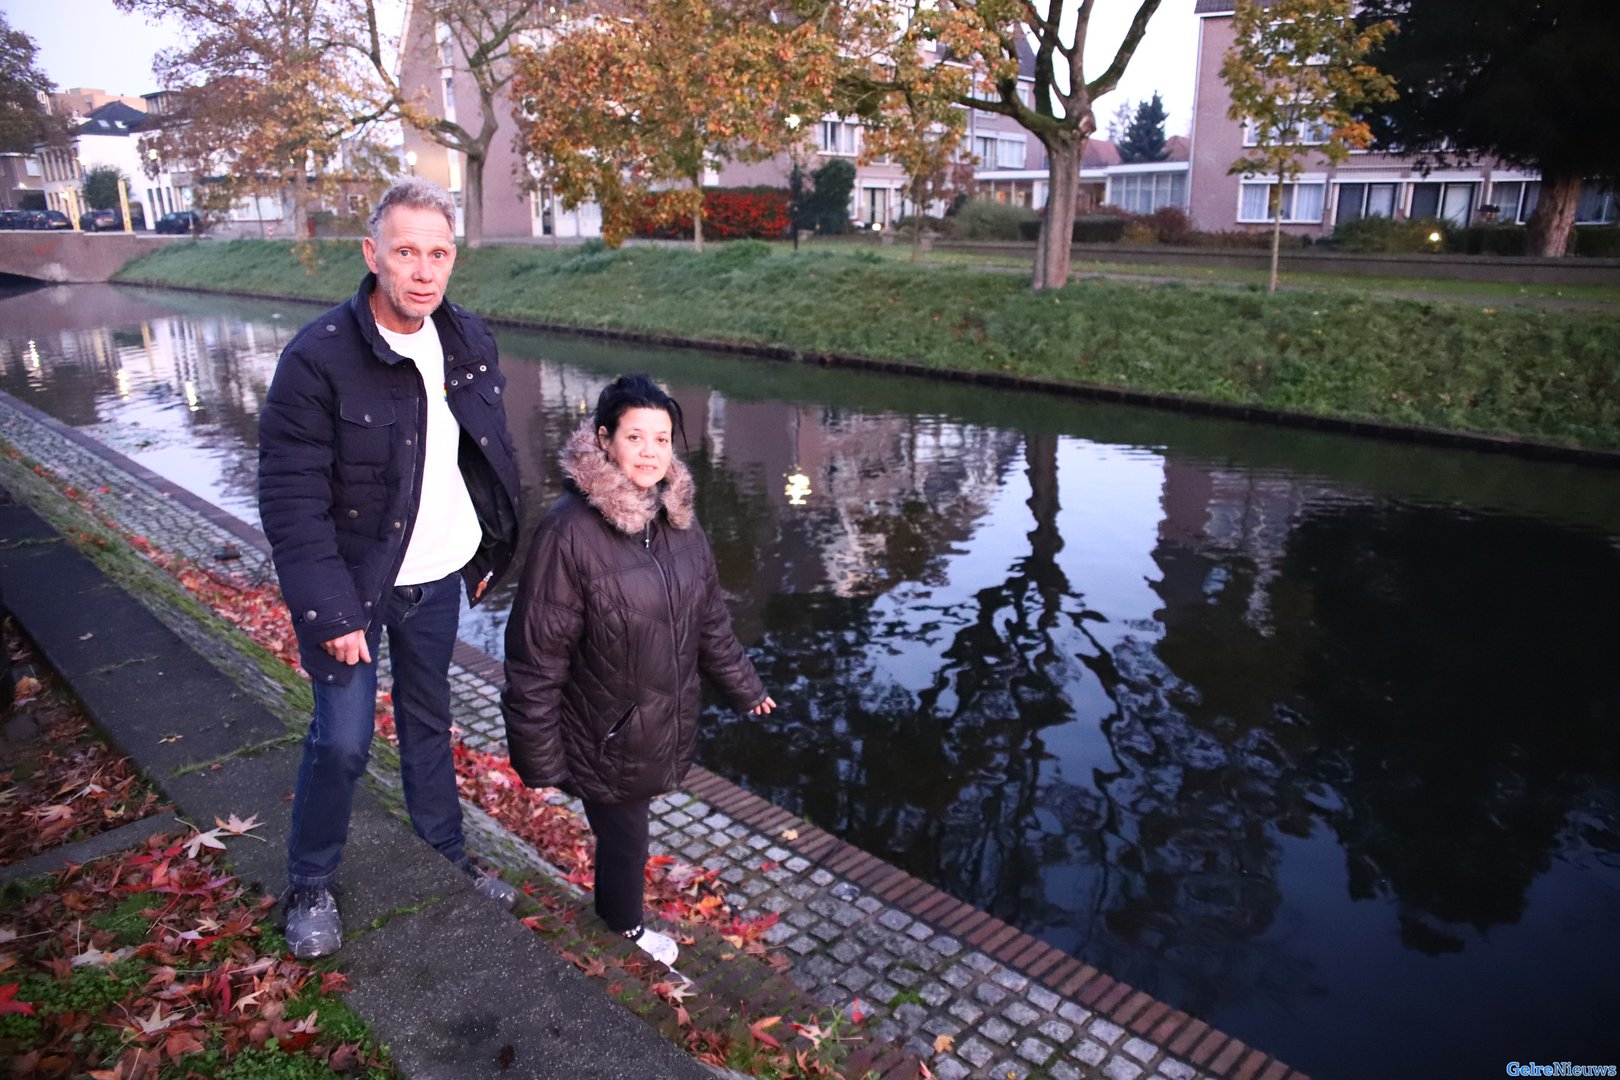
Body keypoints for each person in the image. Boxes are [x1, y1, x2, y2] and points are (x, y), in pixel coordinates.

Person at [258, 177, 522, 959]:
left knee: (428, 725)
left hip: (439, 578)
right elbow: (290, 497)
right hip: (353, 588)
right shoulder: (318, 358)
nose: (423, 270)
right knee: (341, 740)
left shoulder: (470, 340)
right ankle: (309, 884)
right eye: (405, 251)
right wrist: (331, 611)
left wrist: (487, 548)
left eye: (438, 254)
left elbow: (484, 454)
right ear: (372, 254)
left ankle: (447, 861)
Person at [502, 374, 775, 966]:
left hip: (656, 721)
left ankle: (617, 911)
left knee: (628, 830)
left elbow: (710, 624)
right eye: (635, 437)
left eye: (662, 438)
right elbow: (535, 656)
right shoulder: (568, 532)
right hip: (603, 729)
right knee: (627, 838)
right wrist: (540, 759)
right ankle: (622, 926)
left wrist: (746, 688)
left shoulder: (679, 524)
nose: (651, 452)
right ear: (604, 441)